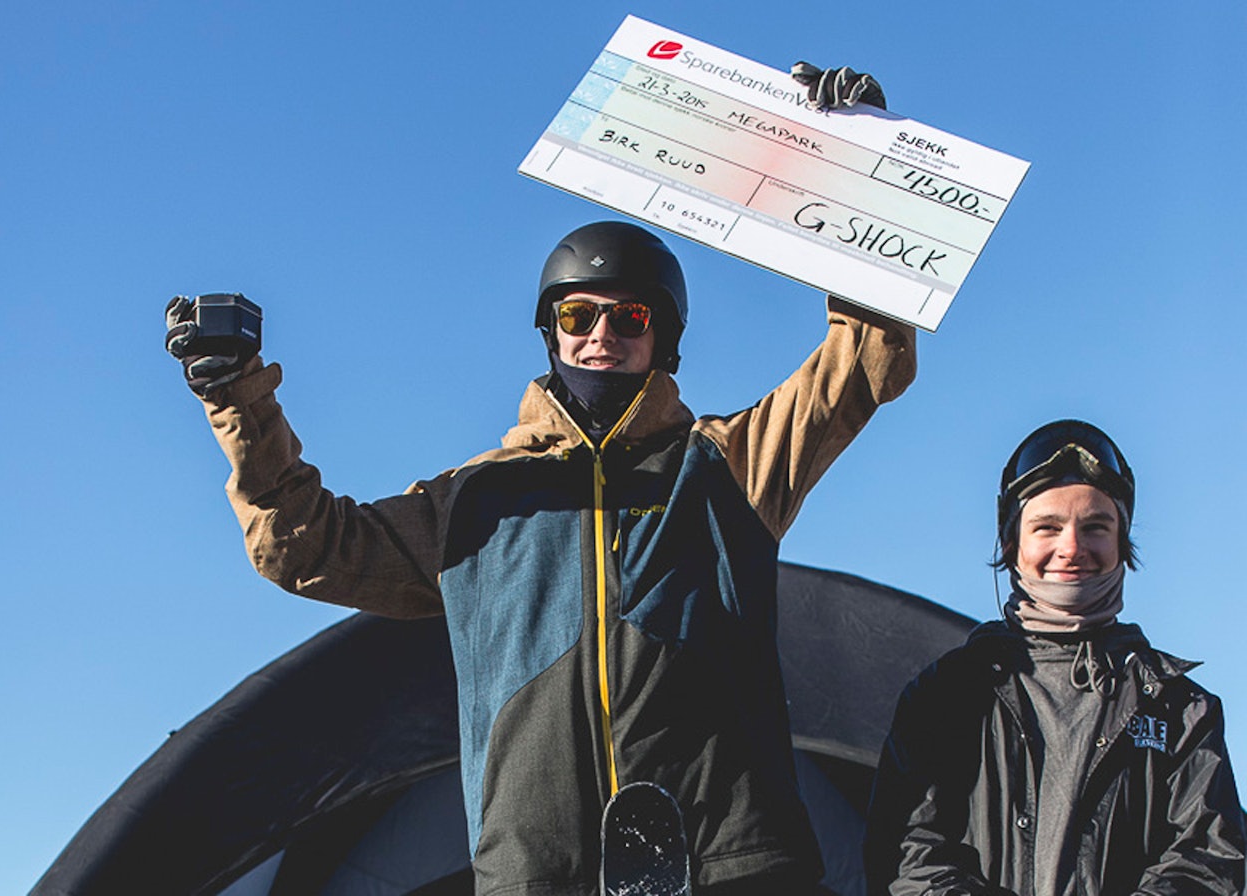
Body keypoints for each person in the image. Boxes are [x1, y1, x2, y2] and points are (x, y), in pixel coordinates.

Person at [166, 69, 912, 896]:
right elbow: (303, 545)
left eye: (630, 318)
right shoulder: (476, 501)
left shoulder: (727, 465)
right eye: (577, 315)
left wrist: (856, 175)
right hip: (539, 871)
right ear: (550, 331)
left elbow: (861, 363)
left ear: (662, 340)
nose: (601, 336)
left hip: (730, 863)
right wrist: (236, 399)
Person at [863, 420, 1246, 896]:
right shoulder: (944, 696)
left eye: (1095, 527)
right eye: (1047, 527)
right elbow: (908, 854)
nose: (1072, 547)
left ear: (1122, 544)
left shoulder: (1182, 709)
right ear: (1011, 545)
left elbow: (1210, 858)